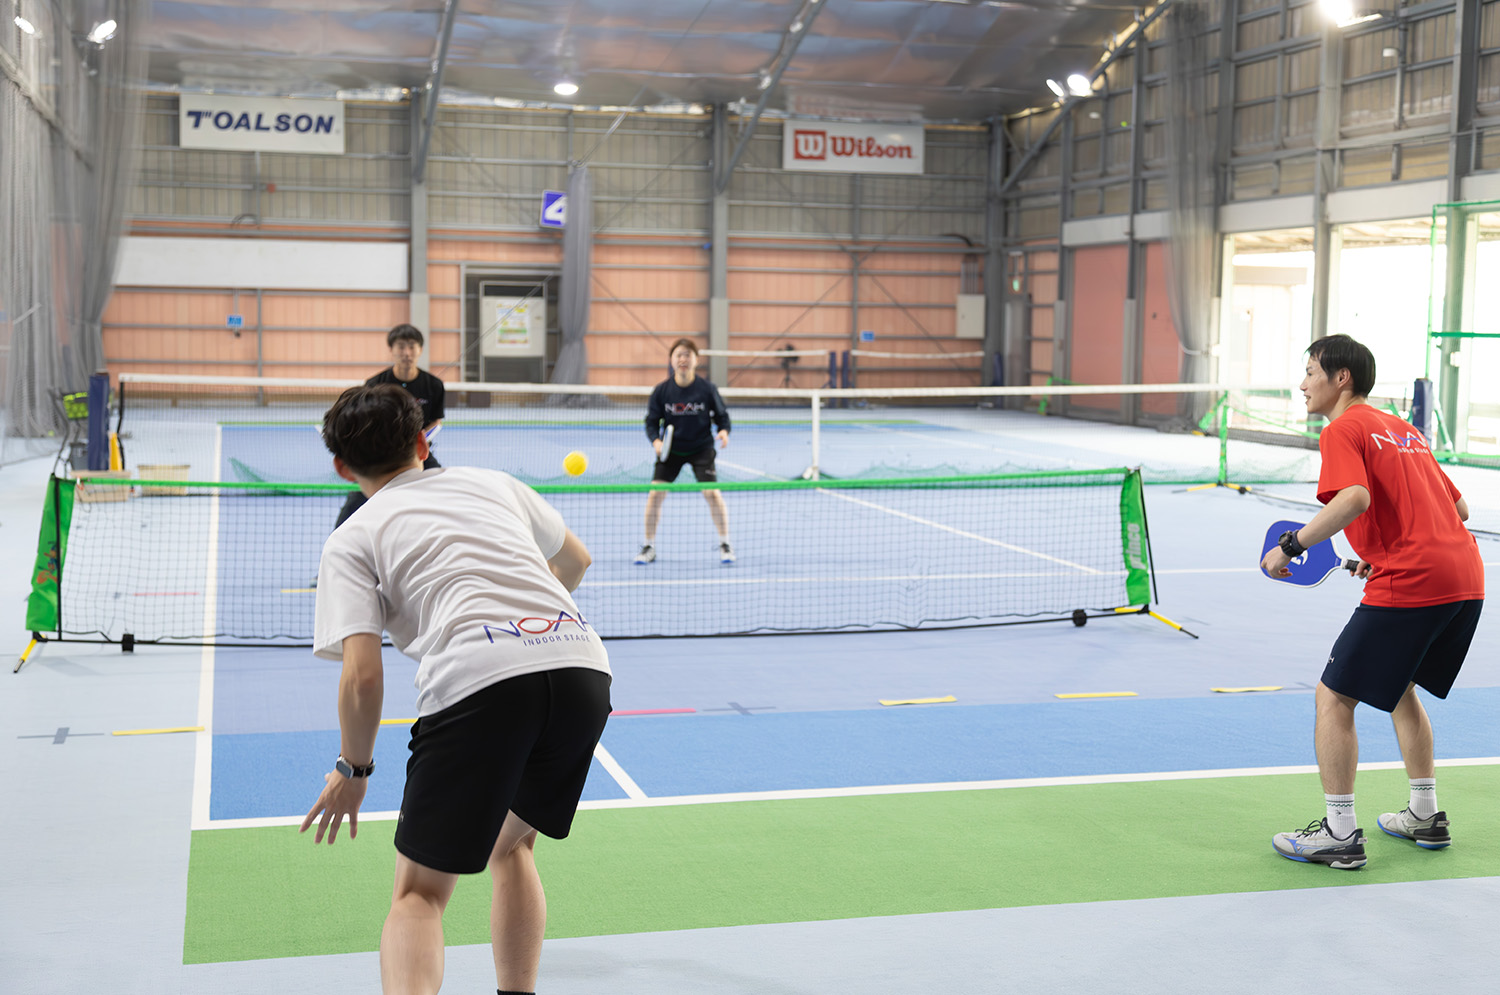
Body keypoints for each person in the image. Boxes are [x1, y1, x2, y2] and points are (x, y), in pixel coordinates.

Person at [301, 383, 611, 995]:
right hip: (582, 668)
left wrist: (353, 770)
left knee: (417, 895)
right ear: (423, 443)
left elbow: (363, 675)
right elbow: (576, 561)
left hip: (479, 685)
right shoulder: (494, 483)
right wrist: (526, 628)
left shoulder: (351, 538)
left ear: (341, 467)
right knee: (511, 847)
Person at [1263, 334, 1483, 870]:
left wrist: (1291, 545)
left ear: (1341, 378)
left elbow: (1355, 497)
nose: (1302, 384)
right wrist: (1382, 551)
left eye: (1310, 371)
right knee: (1401, 686)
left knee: (1333, 697)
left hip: (1414, 581)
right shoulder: (1403, 430)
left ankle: (1339, 833)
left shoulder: (1342, 428)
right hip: (1465, 578)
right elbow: (1458, 509)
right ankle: (1424, 815)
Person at [334, 323, 446, 529]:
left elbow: (436, 420)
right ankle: (339, 534)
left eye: (411, 346)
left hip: (417, 451)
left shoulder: (434, 385)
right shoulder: (374, 383)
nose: (406, 353)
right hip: (379, 452)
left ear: (420, 350)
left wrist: (416, 438)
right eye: (401, 347)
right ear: (392, 350)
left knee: (440, 488)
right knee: (355, 500)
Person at [635, 338, 734, 565]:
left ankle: (725, 543)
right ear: (671, 360)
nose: (683, 359)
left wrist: (724, 431)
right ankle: (649, 546)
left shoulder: (707, 389)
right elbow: (651, 422)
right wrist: (656, 442)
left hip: (701, 448)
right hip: (671, 451)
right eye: (679, 355)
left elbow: (722, 417)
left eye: (688, 355)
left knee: (712, 494)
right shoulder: (661, 391)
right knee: (655, 494)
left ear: (696, 360)